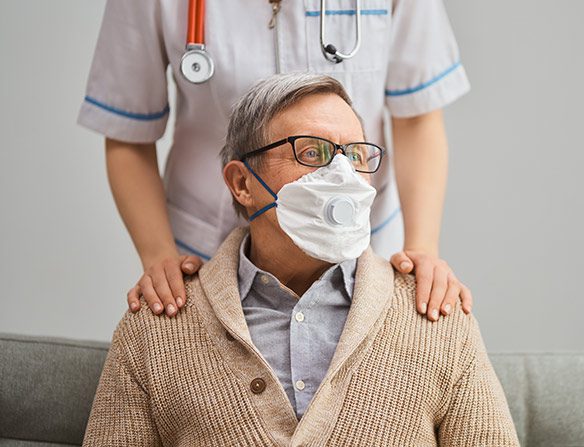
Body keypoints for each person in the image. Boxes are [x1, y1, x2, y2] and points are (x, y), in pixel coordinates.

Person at [82, 74, 518, 446]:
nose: (342, 175)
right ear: (242, 183)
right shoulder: (156, 330)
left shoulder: (436, 318)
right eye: (312, 153)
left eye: (356, 155)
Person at [78, 0, 473, 322]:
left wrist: (422, 248)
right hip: (208, 253)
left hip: (361, 245)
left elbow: (417, 117)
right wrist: (159, 256)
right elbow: (127, 134)